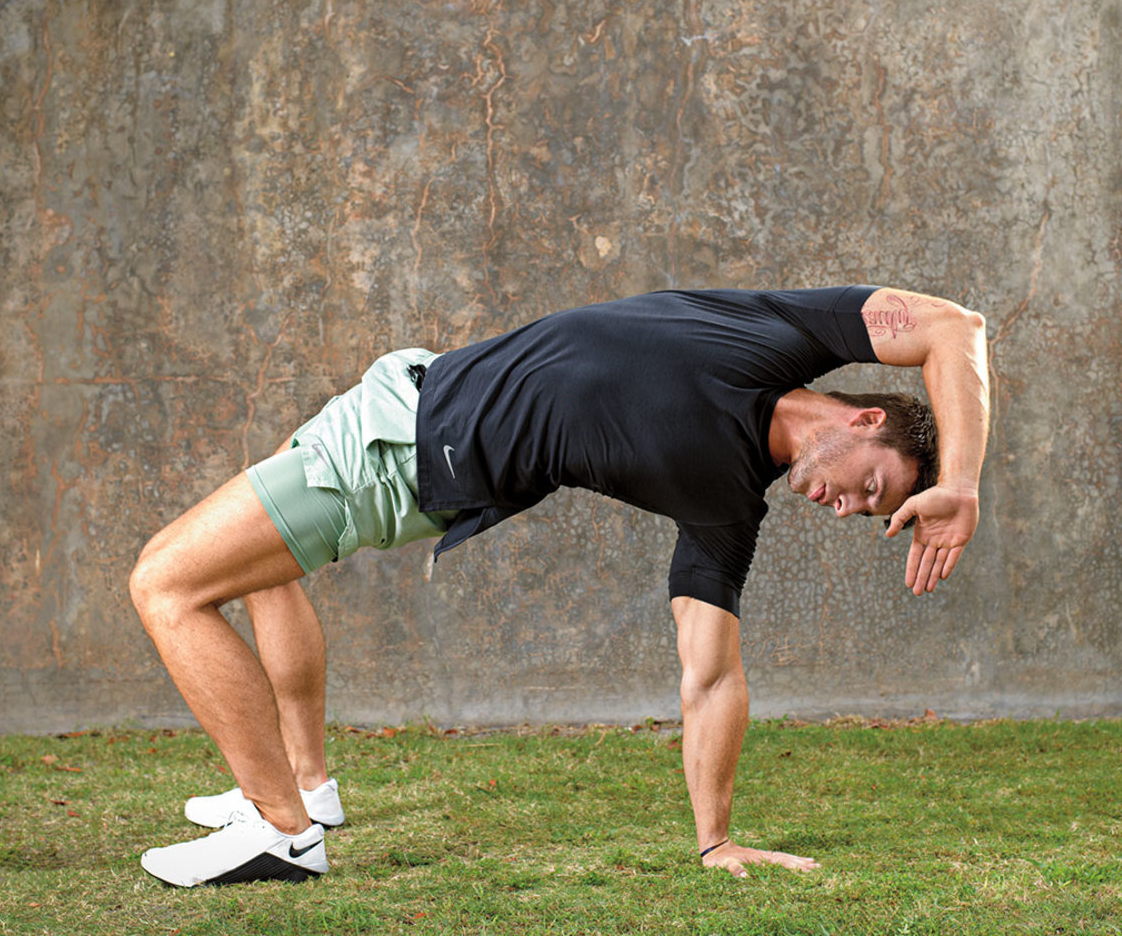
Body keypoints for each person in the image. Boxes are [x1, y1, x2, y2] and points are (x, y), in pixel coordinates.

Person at [130, 284, 989, 886]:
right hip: (405, 393)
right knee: (263, 571)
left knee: (167, 586)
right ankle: (308, 788)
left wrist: (716, 842)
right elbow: (954, 328)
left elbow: (712, 676)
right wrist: (963, 481)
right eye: (875, 487)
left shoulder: (723, 505)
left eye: (871, 511)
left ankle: (280, 831)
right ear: (866, 419)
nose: (849, 511)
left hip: (400, 459)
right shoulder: (773, 334)